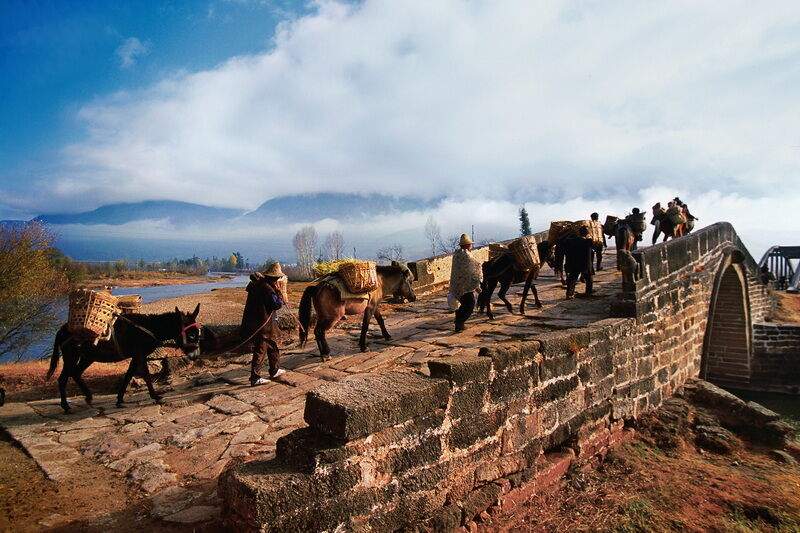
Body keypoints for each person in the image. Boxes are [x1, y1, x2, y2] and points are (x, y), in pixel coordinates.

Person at [240, 262, 286, 386]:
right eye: (277, 278)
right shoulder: (267, 288)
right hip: (262, 325)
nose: (278, 280)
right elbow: (277, 304)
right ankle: (255, 378)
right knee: (260, 350)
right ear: (274, 278)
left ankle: (274, 370)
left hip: (255, 321)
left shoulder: (256, 284)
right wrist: (279, 292)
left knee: (272, 346)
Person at [449, 233, 483, 332]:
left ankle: (459, 323)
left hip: (458, 285)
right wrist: (480, 266)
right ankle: (459, 322)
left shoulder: (457, 254)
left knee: (465, 304)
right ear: (468, 245)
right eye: (470, 245)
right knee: (470, 304)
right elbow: (475, 267)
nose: (471, 247)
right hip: (464, 287)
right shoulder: (465, 255)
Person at [564, 226, 595, 299]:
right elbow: (596, 246)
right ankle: (588, 293)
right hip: (585, 263)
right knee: (589, 279)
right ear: (587, 233)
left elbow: (566, 241)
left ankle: (569, 294)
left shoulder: (571, 241)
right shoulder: (588, 241)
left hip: (575, 263)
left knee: (572, 278)